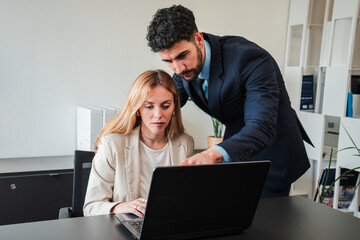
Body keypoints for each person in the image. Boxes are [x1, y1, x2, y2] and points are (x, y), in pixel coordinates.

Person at [146, 5, 312, 198]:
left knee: (265, 222)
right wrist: (125, 129)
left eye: (182, 56)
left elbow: (261, 128)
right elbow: (169, 104)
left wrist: (210, 154)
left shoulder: (251, 60)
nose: (178, 68)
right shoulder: (182, 70)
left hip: (273, 153)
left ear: (198, 39)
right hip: (235, 149)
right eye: (168, 61)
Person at [83, 69, 194, 216]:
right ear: (137, 109)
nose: (158, 115)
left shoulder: (185, 143)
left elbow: (189, 199)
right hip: (125, 228)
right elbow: (91, 207)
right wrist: (122, 207)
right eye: (149, 107)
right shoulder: (113, 144)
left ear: (174, 107)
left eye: (166, 106)